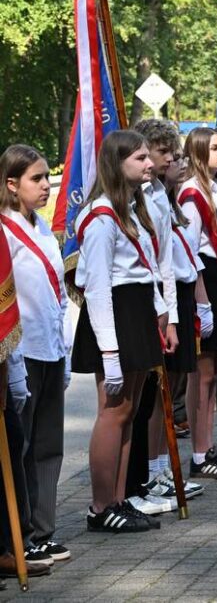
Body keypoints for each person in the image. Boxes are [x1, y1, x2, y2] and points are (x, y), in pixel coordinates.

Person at [72, 130, 166, 532]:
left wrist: (160, 310)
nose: (149, 164)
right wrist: (109, 352)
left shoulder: (130, 208)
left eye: (148, 156)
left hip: (137, 310)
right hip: (116, 317)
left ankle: (119, 497)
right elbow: (96, 288)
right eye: (140, 158)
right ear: (118, 162)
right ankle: (99, 506)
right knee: (113, 412)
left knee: (129, 412)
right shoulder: (101, 217)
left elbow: (147, 267)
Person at [128, 119, 203, 515]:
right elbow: (154, 259)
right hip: (149, 304)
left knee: (162, 394)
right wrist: (166, 312)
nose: (171, 158)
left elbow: (167, 260)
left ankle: (157, 470)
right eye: (161, 153)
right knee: (147, 402)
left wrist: (172, 314)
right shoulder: (139, 196)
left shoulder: (158, 192)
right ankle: (147, 474)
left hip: (167, 302)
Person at [0, 145, 71, 560]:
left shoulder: (43, 228)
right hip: (21, 353)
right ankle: (19, 536)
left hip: (50, 348)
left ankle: (44, 529)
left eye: (47, 177)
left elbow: (55, 294)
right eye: (36, 179)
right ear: (12, 184)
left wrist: (62, 345)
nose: (46, 186)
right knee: (20, 448)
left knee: (48, 446)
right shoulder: (5, 232)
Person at [178, 127, 217, 479]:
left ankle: (207, 446)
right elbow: (189, 252)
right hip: (206, 282)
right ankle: (200, 455)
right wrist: (202, 301)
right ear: (199, 153)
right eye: (214, 148)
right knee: (202, 374)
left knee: (214, 372)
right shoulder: (192, 194)